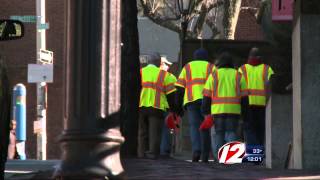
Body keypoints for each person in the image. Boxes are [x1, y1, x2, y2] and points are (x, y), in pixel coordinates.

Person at [201, 52, 246, 158]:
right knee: (231, 132)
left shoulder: (214, 75)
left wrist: (205, 111)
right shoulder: (238, 75)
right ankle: (231, 156)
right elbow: (244, 97)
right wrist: (245, 113)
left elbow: (207, 96)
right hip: (234, 110)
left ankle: (219, 157)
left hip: (217, 110)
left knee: (219, 133)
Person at [175, 48, 215, 162]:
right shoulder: (211, 67)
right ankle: (205, 154)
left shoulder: (187, 67)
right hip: (207, 101)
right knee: (206, 126)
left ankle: (196, 150)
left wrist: (178, 107)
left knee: (194, 127)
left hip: (191, 101)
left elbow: (179, 88)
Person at [138, 53, 178, 159]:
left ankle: (141, 154)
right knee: (154, 133)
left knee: (142, 132)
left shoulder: (140, 72)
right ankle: (152, 154)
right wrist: (173, 109)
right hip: (157, 107)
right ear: (158, 62)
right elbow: (171, 95)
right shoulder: (164, 75)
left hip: (141, 106)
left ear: (148, 61)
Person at [239, 47, 274, 145]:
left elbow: (238, 87)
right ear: (260, 57)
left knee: (249, 129)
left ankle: (253, 151)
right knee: (260, 129)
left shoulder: (242, 69)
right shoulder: (267, 69)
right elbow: (271, 86)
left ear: (249, 56)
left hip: (247, 104)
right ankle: (259, 150)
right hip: (262, 105)